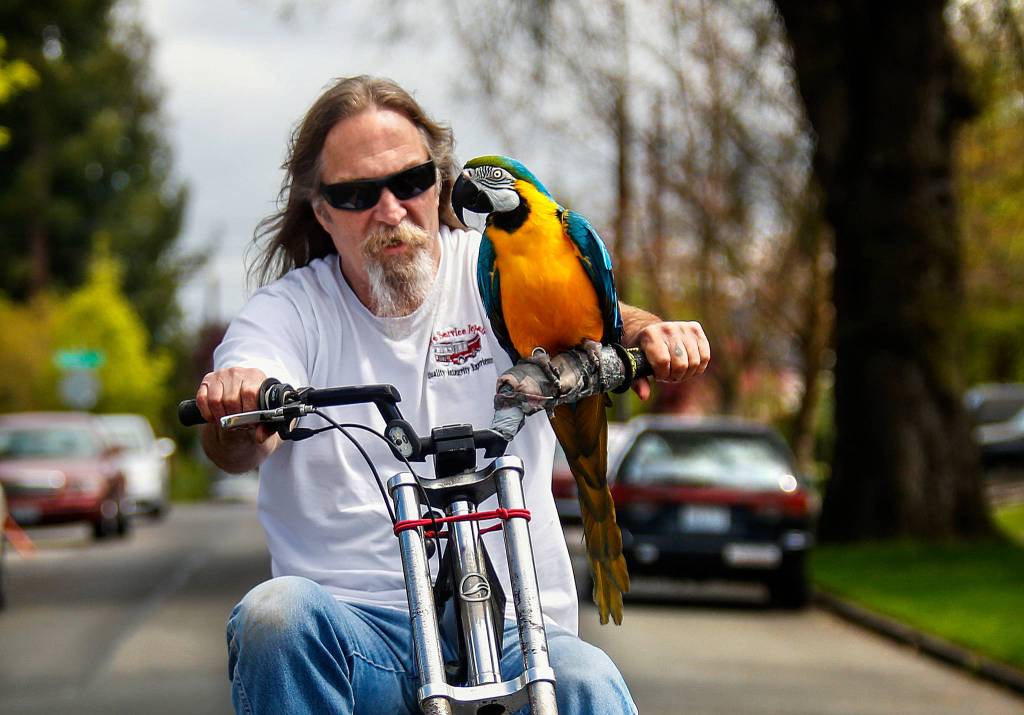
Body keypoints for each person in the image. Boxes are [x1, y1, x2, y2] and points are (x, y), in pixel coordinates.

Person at [196, 75, 710, 715]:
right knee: (277, 615)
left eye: (409, 182)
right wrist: (237, 405)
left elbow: (599, 314)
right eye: (356, 194)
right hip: (364, 637)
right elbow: (240, 429)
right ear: (322, 211)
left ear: (438, 182)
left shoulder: (494, 262)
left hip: (522, 635)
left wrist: (654, 333)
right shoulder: (289, 312)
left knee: (590, 682)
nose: (389, 211)